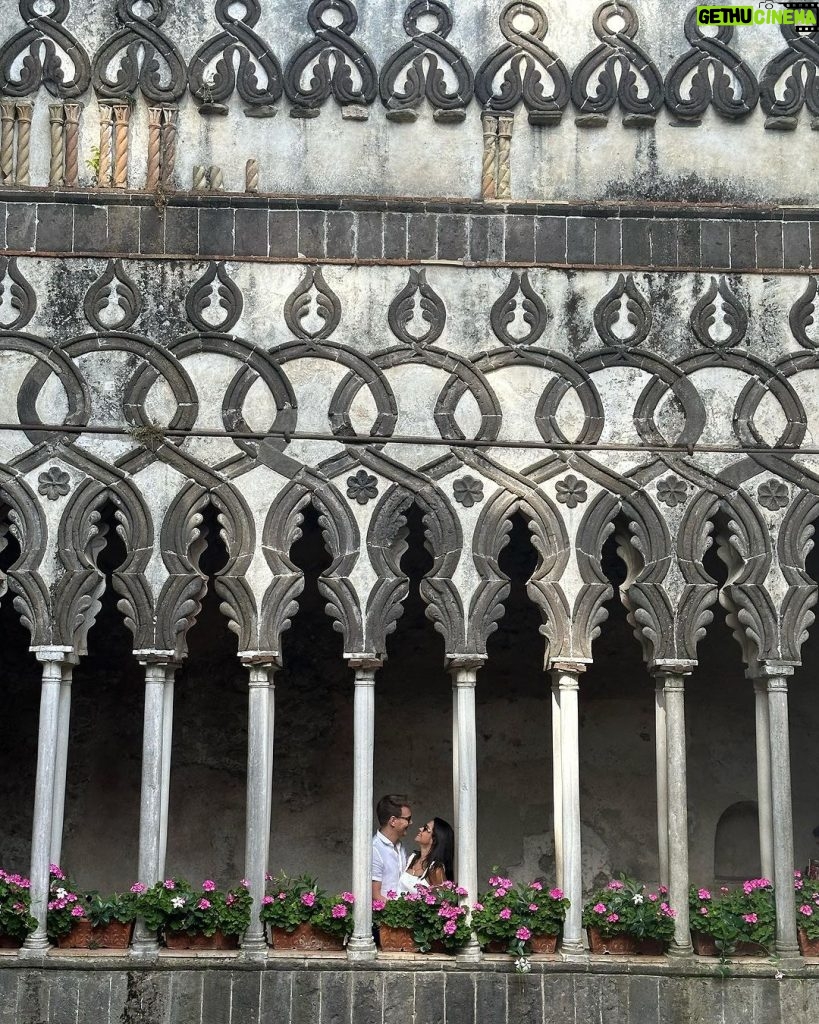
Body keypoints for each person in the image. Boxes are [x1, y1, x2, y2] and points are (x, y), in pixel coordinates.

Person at [372, 794, 412, 900]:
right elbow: (376, 896)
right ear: (393, 821)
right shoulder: (374, 850)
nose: (411, 822)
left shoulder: (399, 846)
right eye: (408, 819)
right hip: (386, 915)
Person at [398, 817, 455, 892]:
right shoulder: (412, 858)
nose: (420, 828)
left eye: (426, 828)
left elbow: (444, 900)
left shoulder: (435, 868)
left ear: (434, 840)